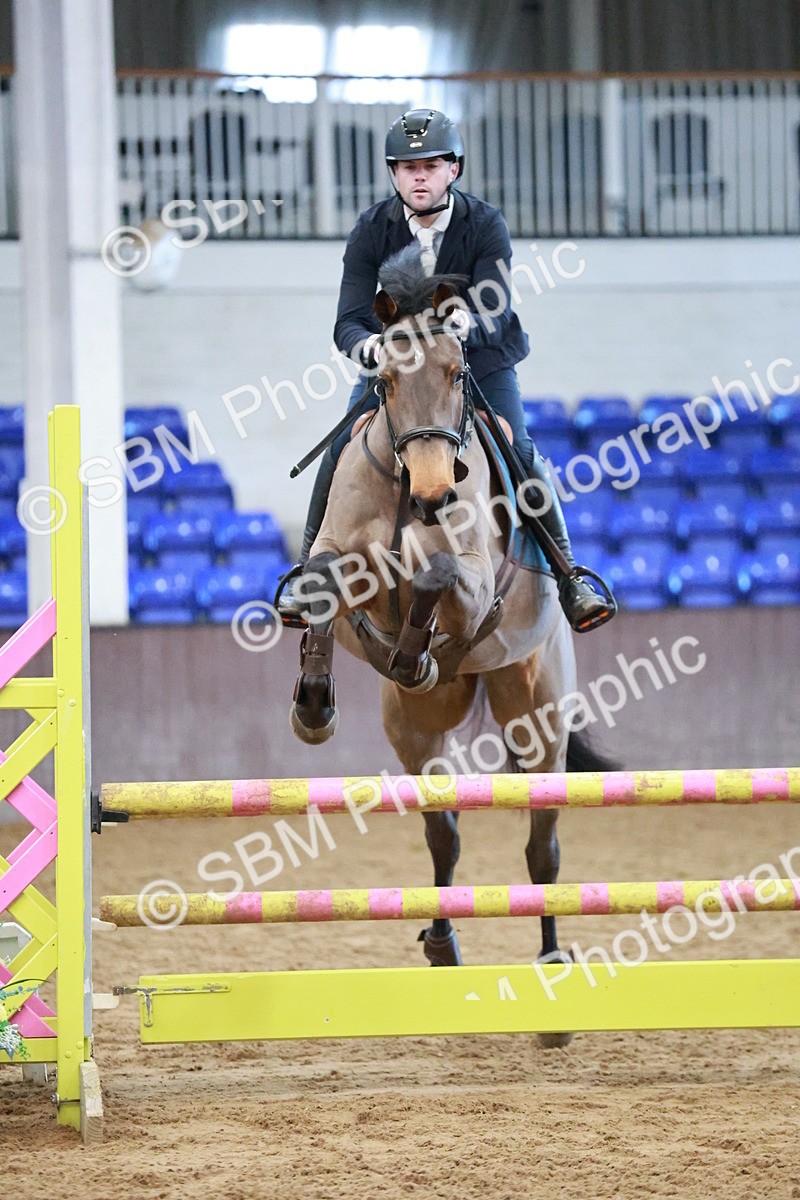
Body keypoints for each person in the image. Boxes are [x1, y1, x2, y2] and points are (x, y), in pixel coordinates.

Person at [277, 108, 614, 632]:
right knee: (341, 446)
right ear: (393, 174)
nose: (419, 177)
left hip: (477, 361)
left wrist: (469, 320)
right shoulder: (371, 229)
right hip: (397, 366)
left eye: (431, 166)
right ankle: (307, 571)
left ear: (453, 169)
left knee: (521, 450)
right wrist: (368, 348)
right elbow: (348, 320)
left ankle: (569, 576)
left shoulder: (485, 224)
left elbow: (497, 305)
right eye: (408, 167)